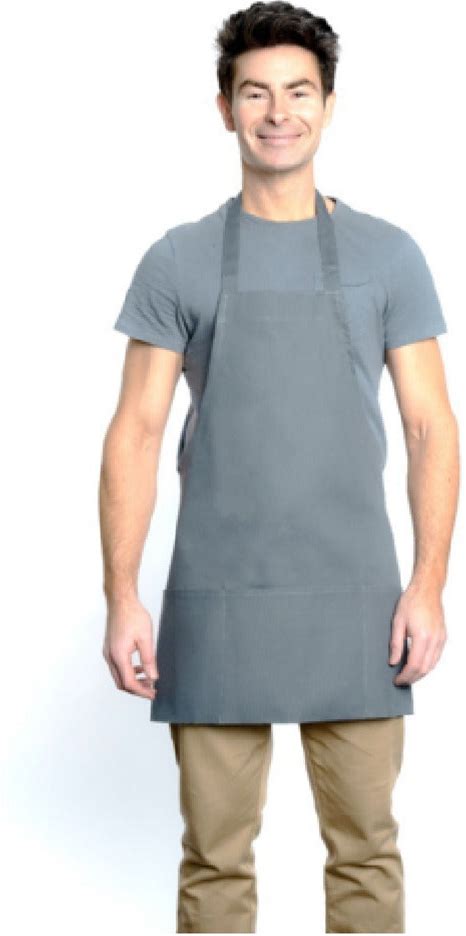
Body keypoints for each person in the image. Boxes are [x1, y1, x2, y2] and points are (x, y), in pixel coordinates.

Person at [99, 2, 459, 931]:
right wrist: (123, 597)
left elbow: (431, 427)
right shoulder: (177, 260)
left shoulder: (390, 255)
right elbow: (136, 431)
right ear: (225, 108)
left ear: (329, 105)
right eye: (254, 92)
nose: (277, 113)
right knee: (214, 859)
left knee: (367, 853)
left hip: (359, 603)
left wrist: (427, 586)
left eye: (298, 91)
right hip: (217, 599)